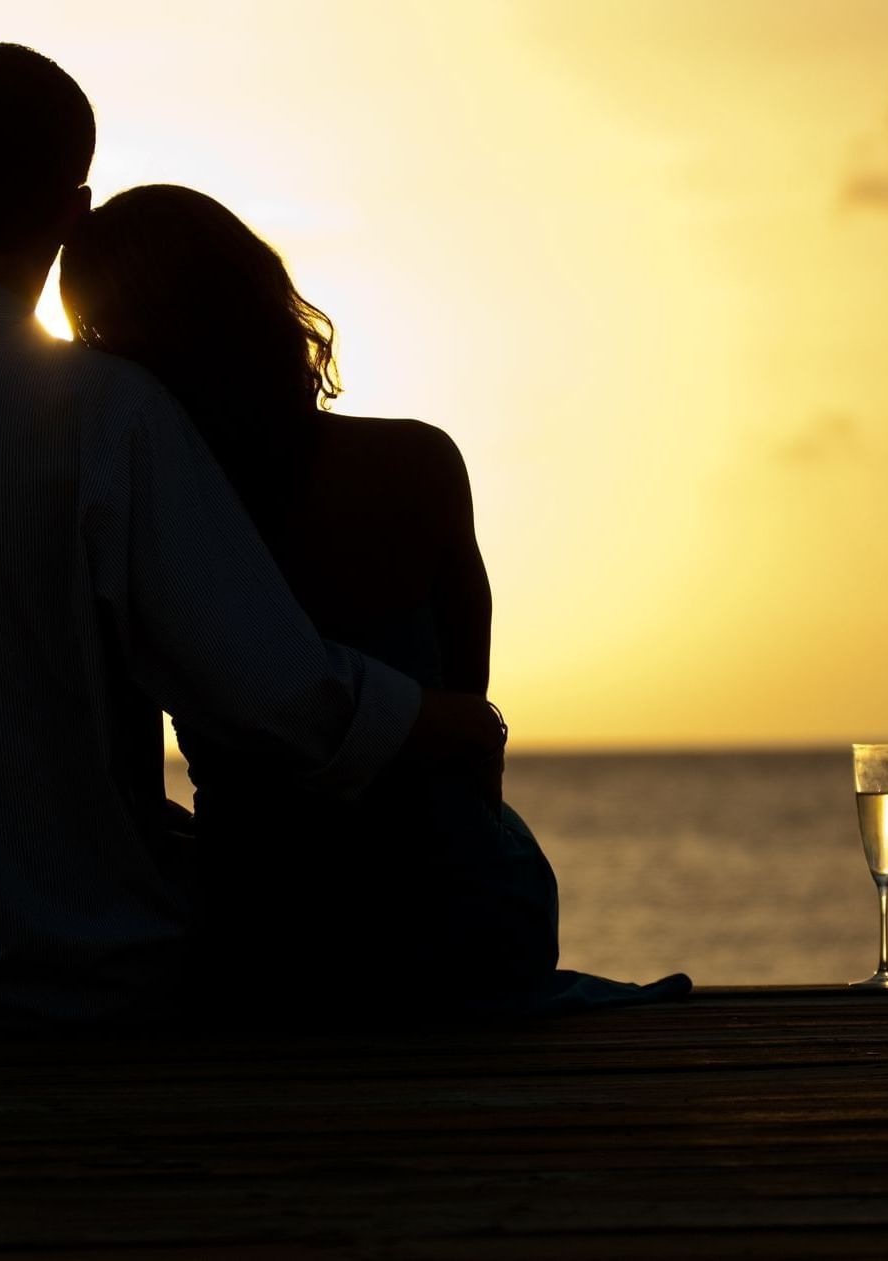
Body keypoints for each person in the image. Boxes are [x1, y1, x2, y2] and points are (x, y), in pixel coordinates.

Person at [0, 45, 504, 1029]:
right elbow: (270, 694)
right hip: (81, 985)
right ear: (71, 213)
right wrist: (447, 721)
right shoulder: (105, 416)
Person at [60, 185, 691, 1017]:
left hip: (262, 934)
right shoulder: (417, 462)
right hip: (457, 915)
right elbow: (465, 721)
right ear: (255, 297)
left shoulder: (132, 506)